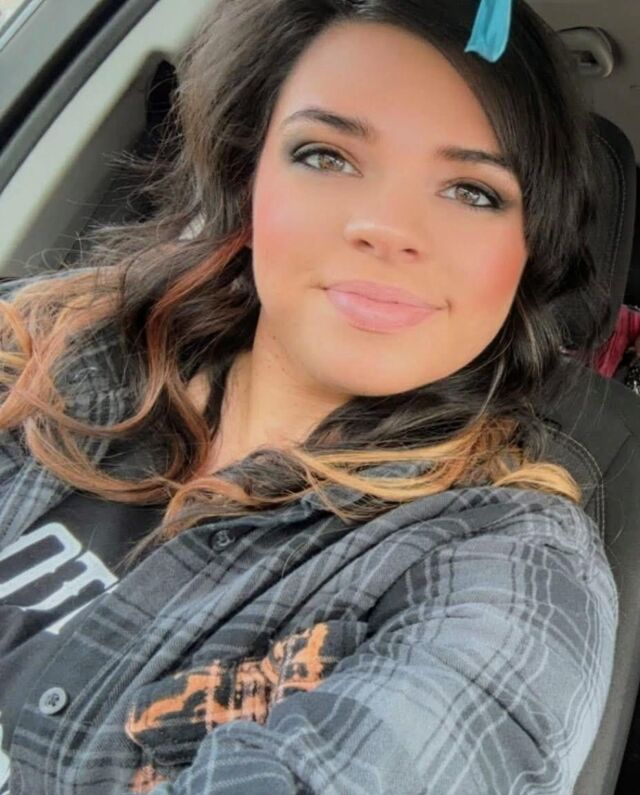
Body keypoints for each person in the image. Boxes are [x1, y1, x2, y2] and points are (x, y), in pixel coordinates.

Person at [0, 1, 618, 793]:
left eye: (472, 191)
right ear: (247, 179)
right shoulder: (45, 343)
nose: (387, 228)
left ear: (530, 251)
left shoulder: (513, 569)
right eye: (326, 156)